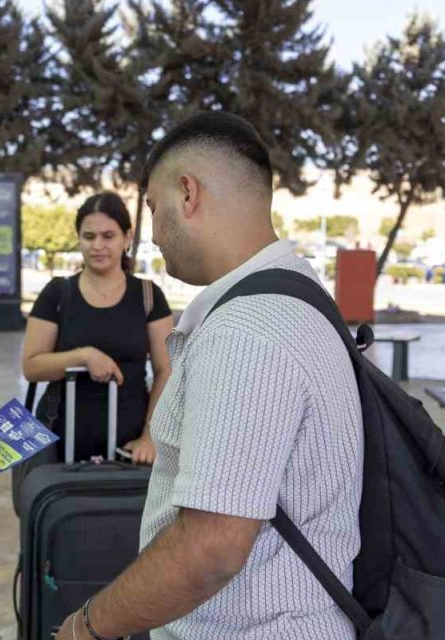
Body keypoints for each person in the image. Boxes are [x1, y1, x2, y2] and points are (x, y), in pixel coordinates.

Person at [55, 112, 363, 639]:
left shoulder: (245, 331)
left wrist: (87, 627)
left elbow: (211, 547)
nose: (151, 235)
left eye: (152, 208)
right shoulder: (298, 290)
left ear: (188, 193)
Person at [21, 193, 173, 464]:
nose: (98, 245)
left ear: (127, 238)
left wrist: (150, 436)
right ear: (78, 238)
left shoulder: (149, 296)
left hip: (130, 444)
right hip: (60, 441)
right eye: (89, 237)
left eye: (108, 236)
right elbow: (32, 366)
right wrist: (84, 356)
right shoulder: (57, 294)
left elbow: (166, 371)